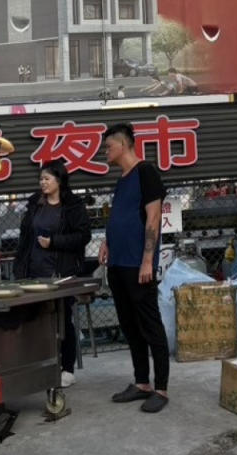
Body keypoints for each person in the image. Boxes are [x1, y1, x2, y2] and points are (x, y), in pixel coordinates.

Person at [99, 122, 171, 413]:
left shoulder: (146, 172)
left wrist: (147, 260)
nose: (105, 152)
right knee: (129, 326)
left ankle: (161, 389)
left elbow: (152, 219)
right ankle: (142, 383)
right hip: (117, 263)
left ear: (124, 145)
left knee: (150, 325)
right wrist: (106, 241)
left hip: (137, 264)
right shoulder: (121, 179)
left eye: (108, 146)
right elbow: (121, 215)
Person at [13, 160, 91, 388]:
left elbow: (83, 236)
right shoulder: (35, 203)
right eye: (41, 179)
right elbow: (24, 239)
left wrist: (54, 242)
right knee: (37, 320)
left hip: (61, 273)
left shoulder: (73, 205)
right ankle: (42, 366)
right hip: (34, 272)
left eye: (47, 178)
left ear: (59, 180)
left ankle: (67, 367)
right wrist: (20, 268)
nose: (42, 183)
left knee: (63, 319)